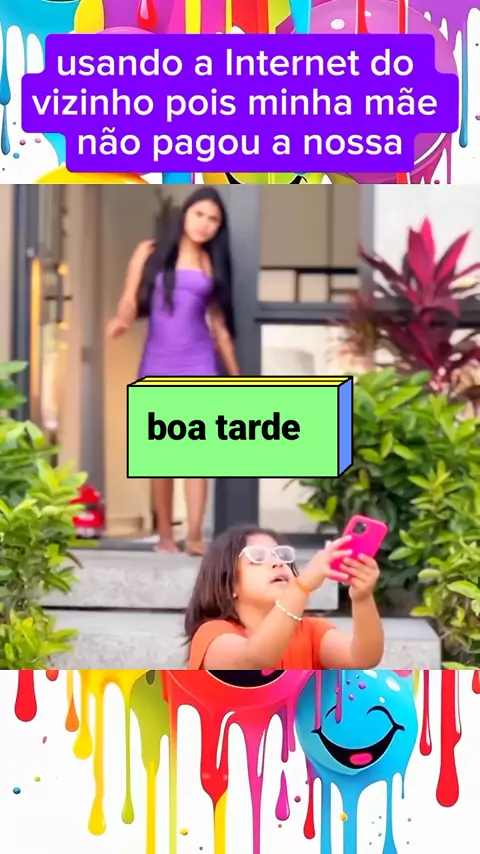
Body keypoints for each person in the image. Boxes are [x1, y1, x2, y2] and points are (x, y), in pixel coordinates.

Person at [106, 187, 240, 555]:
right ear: (185, 214)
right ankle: (166, 536)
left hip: (199, 363)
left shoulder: (211, 263)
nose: (205, 224)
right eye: (200, 214)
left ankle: (194, 536)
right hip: (157, 363)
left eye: (214, 220)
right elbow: (128, 302)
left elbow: (219, 328)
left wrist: (238, 377)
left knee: (195, 455)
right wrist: (119, 323)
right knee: (159, 454)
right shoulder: (149, 253)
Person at [185, 524, 384, 669]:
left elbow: (363, 658)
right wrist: (302, 586)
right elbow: (256, 659)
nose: (278, 562)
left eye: (283, 555)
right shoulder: (211, 635)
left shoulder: (311, 632)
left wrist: (362, 598)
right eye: (258, 558)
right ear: (228, 584)